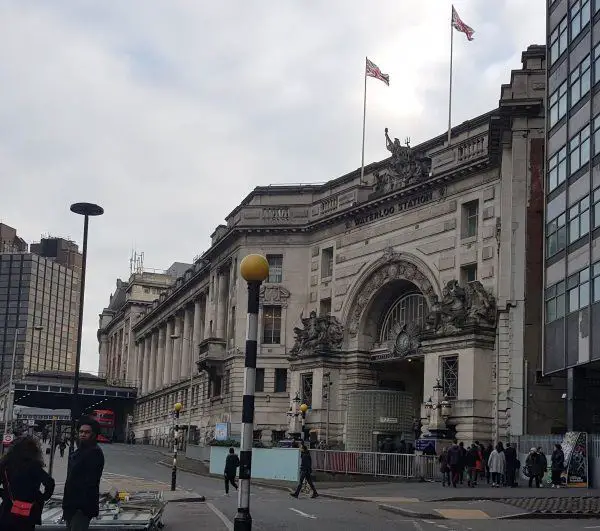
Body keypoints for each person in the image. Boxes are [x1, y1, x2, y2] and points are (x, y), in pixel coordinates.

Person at [0, 435, 55, 531]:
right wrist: (42, 497)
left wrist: (4, 494)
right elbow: (50, 483)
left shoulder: (5, 465)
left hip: (8, 510)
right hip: (28, 512)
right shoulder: (34, 466)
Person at [62, 416, 105, 531]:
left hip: (81, 507)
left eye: (87, 432)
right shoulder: (79, 451)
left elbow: (89, 482)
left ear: (94, 434)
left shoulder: (94, 452)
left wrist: (80, 507)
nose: (83, 434)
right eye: (81, 432)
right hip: (71, 505)